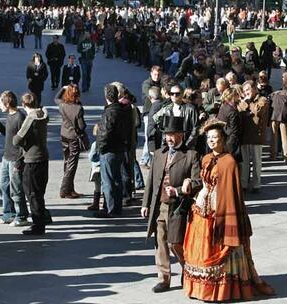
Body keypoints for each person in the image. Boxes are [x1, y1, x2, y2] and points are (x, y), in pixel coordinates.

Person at [183, 119, 275, 302]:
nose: (211, 140)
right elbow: (203, 183)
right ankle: (200, 288)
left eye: (215, 137)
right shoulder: (206, 158)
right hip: (202, 209)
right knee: (200, 249)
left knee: (222, 247)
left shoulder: (229, 161)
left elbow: (231, 193)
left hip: (220, 211)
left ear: (223, 139)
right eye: (209, 137)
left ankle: (222, 290)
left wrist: (223, 214)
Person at [141, 116, 201, 293]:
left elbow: (198, 182)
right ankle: (164, 278)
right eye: (167, 134)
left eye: (173, 134)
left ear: (181, 135)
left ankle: (187, 271)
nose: (169, 138)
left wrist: (179, 190)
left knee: (176, 243)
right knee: (160, 243)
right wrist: (145, 204)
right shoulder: (159, 154)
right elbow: (151, 181)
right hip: (159, 206)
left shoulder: (191, 155)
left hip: (178, 207)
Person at [13, 93, 52, 235]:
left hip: (31, 159)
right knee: (39, 191)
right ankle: (43, 216)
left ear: (23, 105)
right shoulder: (43, 114)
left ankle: (38, 224)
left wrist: (20, 140)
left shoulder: (30, 118)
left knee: (31, 192)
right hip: (43, 157)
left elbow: (17, 139)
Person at [0, 91, 29, 226]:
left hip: (16, 159)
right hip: (6, 157)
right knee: (2, 185)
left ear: (7, 103)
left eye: (0, 102)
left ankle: (22, 215)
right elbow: (8, 134)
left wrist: (20, 159)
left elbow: (24, 138)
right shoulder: (10, 116)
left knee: (16, 189)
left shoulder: (20, 117)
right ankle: (9, 213)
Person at [95, 84, 127, 218]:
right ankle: (116, 206)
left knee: (108, 181)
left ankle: (110, 208)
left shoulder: (110, 112)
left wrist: (100, 147)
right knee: (117, 179)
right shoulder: (121, 110)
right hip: (119, 148)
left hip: (109, 150)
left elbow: (105, 132)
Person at [54, 84, 86, 199]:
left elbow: (56, 98)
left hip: (64, 135)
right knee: (72, 164)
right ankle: (64, 189)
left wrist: (63, 88)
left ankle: (70, 189)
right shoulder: (78, 108)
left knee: (67, 161)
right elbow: (81, 126)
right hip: (73, 137)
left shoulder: (62, 105)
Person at [239, 81, 269, 193]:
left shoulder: (262, 99)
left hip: (257, 136)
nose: (246, 92)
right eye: (245, 90)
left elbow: (258, 111)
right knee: (244, 162)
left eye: (248, 89)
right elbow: (239, 110)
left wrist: (246, 105)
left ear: (254, 89)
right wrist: (246, 106)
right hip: (245, 135)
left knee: (257, 162)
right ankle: (244, 184)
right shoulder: (244, 101)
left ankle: (256, 185)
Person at [217, 87, 243, 162]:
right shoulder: (232, 111)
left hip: (223, 140)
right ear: (232, 96)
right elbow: (234, 131)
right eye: (237, 95)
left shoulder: (223, 107)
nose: (239, 97)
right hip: (231, 143)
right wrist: (232, 148)